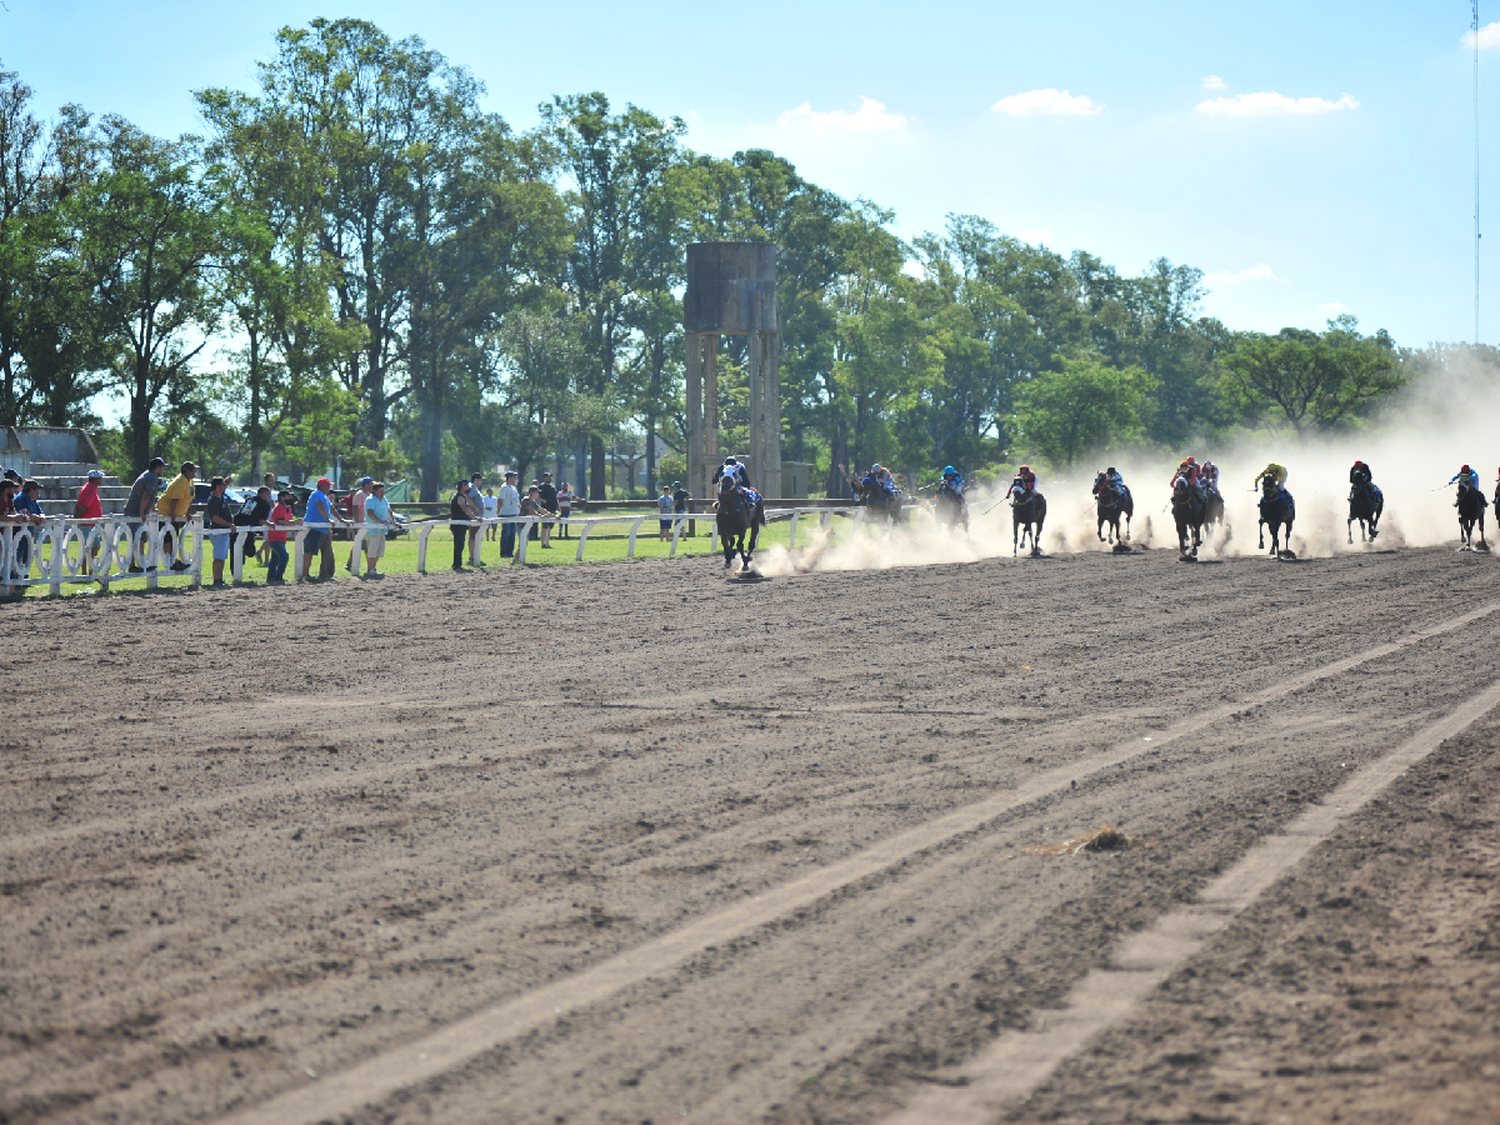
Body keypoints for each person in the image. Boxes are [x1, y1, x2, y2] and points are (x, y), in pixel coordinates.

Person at [156, 461, 196, 570]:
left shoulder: (190, 482)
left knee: (174, 537)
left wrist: (187, 512)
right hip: (166, 513)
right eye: (193, 470)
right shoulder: (181, 481)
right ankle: (171, 561)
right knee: (168, 538)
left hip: (176, 515)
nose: (195, 473)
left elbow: (190, 499)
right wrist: (172, 513)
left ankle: (174, 560)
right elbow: (175, 499)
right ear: (187, 471)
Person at [302, 477, 342, 580]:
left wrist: (341, 519)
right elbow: (320, 506)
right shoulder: (317, 495)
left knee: (327, 552)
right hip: (314, 527)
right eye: (328, 485)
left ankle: (325, 574)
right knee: (310, 551)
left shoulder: (324, 496)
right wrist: (328, 520)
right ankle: (305, 574)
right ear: (323, 486)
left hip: (323, 528)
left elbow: (331, 508)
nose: (329, 488)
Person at [203, 475, 235, 586]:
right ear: (217, 487)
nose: (224, 486)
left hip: (223, 532)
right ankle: (217, 580)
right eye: (222, 485)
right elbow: (215, 517)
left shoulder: (219, 497)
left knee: (222, 557)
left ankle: (219, 579)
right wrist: (229, 524)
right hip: (218, 531)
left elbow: (223, 487)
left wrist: (226, 482)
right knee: (218, 557)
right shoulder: (214, 500)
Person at [74, 469, 105, 574]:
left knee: (95, 546)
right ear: (96, 479)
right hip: (87, 523)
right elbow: (85, 506)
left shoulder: (89, 488)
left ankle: (90, 570)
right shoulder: (91, 490)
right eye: (100, 478)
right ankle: (85, 572)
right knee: (87, 548)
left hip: (92, 523)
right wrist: (78, 517)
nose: (102, 479)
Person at [361, 481, 394, 575]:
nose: (382, 492)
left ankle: (373, 568)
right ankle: (370, 569)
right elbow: (370, 513)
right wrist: (381, 521)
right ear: (374, 491)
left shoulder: (384, 499)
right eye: (380, 491)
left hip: (382, 529)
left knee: (379, 550)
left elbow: (389, 511)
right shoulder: (370, 500)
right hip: (372, 529)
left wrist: (393, 522)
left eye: (383, 490)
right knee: (372, 550)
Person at [265, 489, 296, 584]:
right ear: (282, 498)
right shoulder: (279, 508)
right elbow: (282, 521)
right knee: (284, 556)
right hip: (275, 537)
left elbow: (290, 518)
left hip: (282, 537)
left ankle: (271, 578)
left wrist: (295, 520)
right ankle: (278, 577)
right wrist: (296, 522)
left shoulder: (287, 507)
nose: (290, 498)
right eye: (288, 496)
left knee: (275, 559)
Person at [345, 477, 374, 572]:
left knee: (360, 544)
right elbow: (355, 508)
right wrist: (357, 522)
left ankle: (349, 563)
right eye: (370, 484)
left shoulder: (369, 495)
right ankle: (371, 567)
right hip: (361, 523)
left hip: (367, 522)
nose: (372, 486)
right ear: (366, 485)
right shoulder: (359, 495)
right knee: (364, 545)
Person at [450, 479, 473, 570]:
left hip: (461, 525)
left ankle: (458, 563)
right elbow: (465, 509)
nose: (468, 488)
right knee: (459, 545)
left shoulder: (462, 496)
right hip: (458, 525)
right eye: (467, 486)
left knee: (460, 544)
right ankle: (456, 564)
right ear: (463, 487)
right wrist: (474, 517)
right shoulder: (459, 497)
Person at [497, 470, 521, 558]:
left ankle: (510, 552)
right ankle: (504, 552)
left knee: (512, 534)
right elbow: (500, 500)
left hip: (514, 514)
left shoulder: (513, 488)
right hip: (506, 514)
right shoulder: (504, 488)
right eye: (514, 477)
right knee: (506, 534)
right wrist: (500, 510)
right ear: (510, 478)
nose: (515, 479)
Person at [464, 473, 486, 563]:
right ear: (476, 480)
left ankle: (475, 556)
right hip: (475, 517)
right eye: (480, 480)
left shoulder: (475, 489)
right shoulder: (472, 489)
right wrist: (475, 507)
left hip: (478, 516)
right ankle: (472, 557)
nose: (481, 482)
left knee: (477, 537)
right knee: (473, 537)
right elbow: (468, 498)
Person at [538, 472, 559, 546]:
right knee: (544, 526)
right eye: (548, 477)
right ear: (544, 478)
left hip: (553, 508)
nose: (550, 478)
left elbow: (555, 498)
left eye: (550, 477)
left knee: (550, 527)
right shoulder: (541, 487)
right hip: (545, 509)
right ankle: (543, 543)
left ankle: (547, 543)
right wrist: (543, 500)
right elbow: (537, 495)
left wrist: (558, 506)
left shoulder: (553, 487)